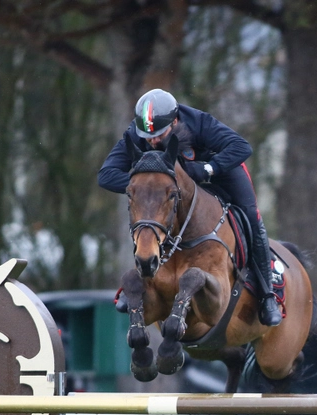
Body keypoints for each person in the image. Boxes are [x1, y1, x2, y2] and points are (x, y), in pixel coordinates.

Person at [98, 89, 282, 327]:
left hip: (217, 172)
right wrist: (147, 187)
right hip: (170, 187)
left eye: (159, 135)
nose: (152, 141)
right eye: (147, 136)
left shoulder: (200, 122)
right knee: (148, 215)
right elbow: (106, 175)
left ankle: (267, 295)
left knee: (251, 215)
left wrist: (209, 168)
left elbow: (241, 147)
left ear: (175, 122)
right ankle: (141, 283)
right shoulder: (136, 133)